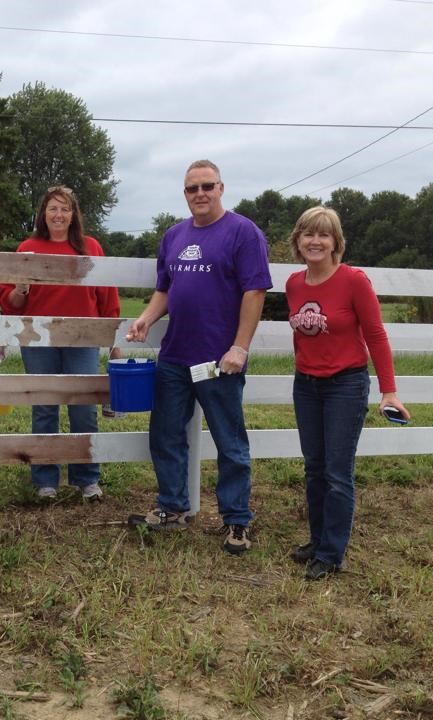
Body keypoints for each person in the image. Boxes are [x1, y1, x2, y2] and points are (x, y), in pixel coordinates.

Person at [125, 160, 272, 554]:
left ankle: (237, 521)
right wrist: (145, 319)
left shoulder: (243, 232)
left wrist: (239, 347)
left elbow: (255, 291)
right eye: (192, 189)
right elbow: (165, 289)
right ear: (184, 193)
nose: (200, 194)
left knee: (230, 441)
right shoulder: (174, 236)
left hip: (219, 360)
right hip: (175, 356)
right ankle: (173, 507)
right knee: (166, 433)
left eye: (207, 186)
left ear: (221, 187)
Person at [286, 206, 409, 580]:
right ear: (298, 240)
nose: (315, 241)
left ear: (336, 242)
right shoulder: (293, 283)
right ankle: (317, 538)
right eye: (308, 233)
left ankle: (331, 552)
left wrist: (389, 391)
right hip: (306, 385)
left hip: (346, 385)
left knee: (338, 473)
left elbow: (376, 335)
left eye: (324, 234)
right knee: (314, 468)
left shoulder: (354, 280)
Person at [0, 186, 121, 501]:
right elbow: (11, 303)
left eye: (65, 209)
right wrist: (22, 289)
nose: (58, 215)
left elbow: (108, 297)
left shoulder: (90, 247)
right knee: (44, 408)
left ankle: (87, 478)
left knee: (83, 408)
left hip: (83, 338)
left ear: (73, 214)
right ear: (43, 213)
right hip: (39, 340)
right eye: (53, 208)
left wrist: (114, 342)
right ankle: (45, 481)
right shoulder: (28, 247)